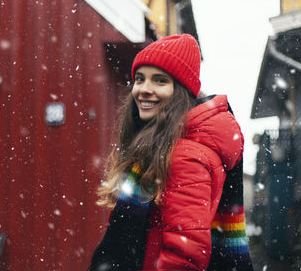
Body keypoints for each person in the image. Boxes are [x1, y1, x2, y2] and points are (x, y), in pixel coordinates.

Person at [88, 34, 254, 271]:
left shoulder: (183, 154)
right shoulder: (164, 144)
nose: (144, 89)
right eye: (139, 79)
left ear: (181, 92)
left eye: (159, 81)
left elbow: (185, 257)